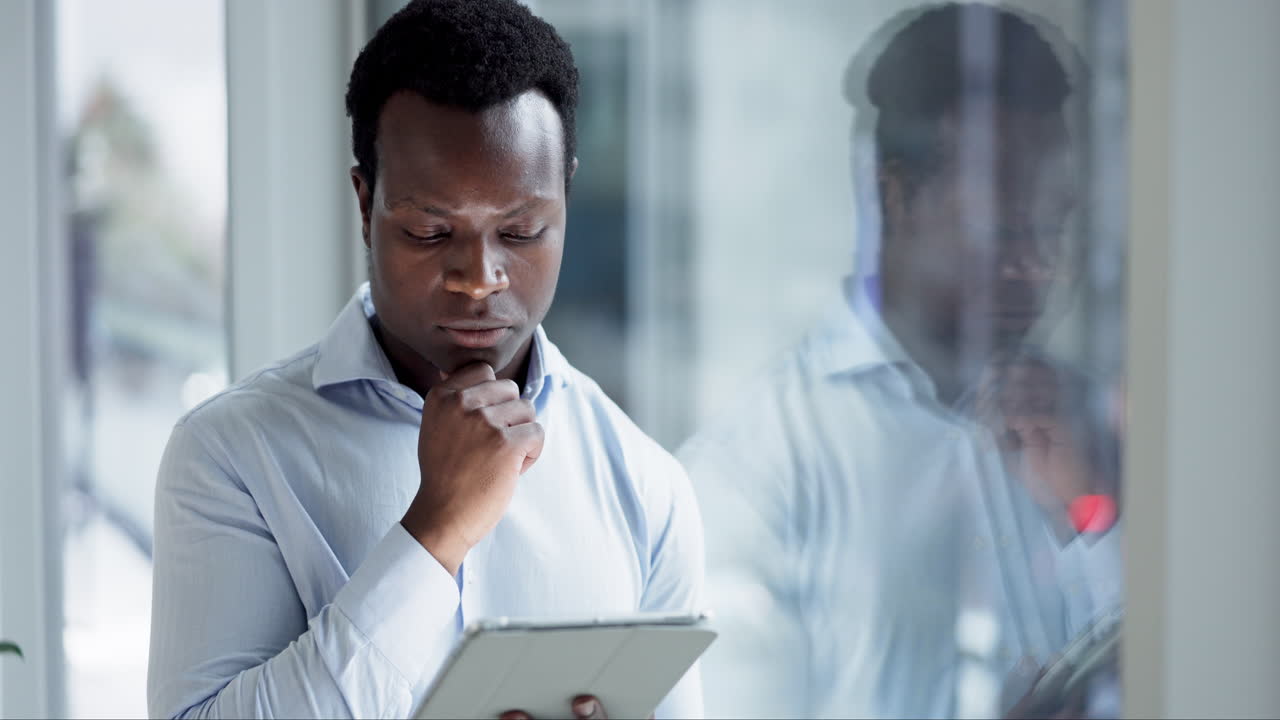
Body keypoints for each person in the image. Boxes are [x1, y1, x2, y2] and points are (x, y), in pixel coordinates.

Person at [146, 2, 704, 718]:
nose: (480, 277)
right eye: (430, 231)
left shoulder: (647, 487)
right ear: (364, 203)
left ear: (565, 198)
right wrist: (434, 532)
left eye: (523, 230)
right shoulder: (230, 457)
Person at [679, 4, 1122, 718]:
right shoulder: (758, 468)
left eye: (1056, 222)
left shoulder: (1085, 432)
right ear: (894, 196)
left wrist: (1094, 513)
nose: (1040, 261)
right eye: (1006, 222)